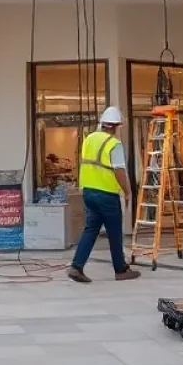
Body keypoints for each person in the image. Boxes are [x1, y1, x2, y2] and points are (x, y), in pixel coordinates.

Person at [68, 107, 140, 283]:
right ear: (115, 126)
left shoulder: (89, 139)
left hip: (88, 192)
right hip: (106, 194)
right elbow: (119, 171)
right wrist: (128, 191)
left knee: (91, 229)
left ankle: (77, 266)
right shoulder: (113, 144)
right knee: (114, 232)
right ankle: (120, 269)